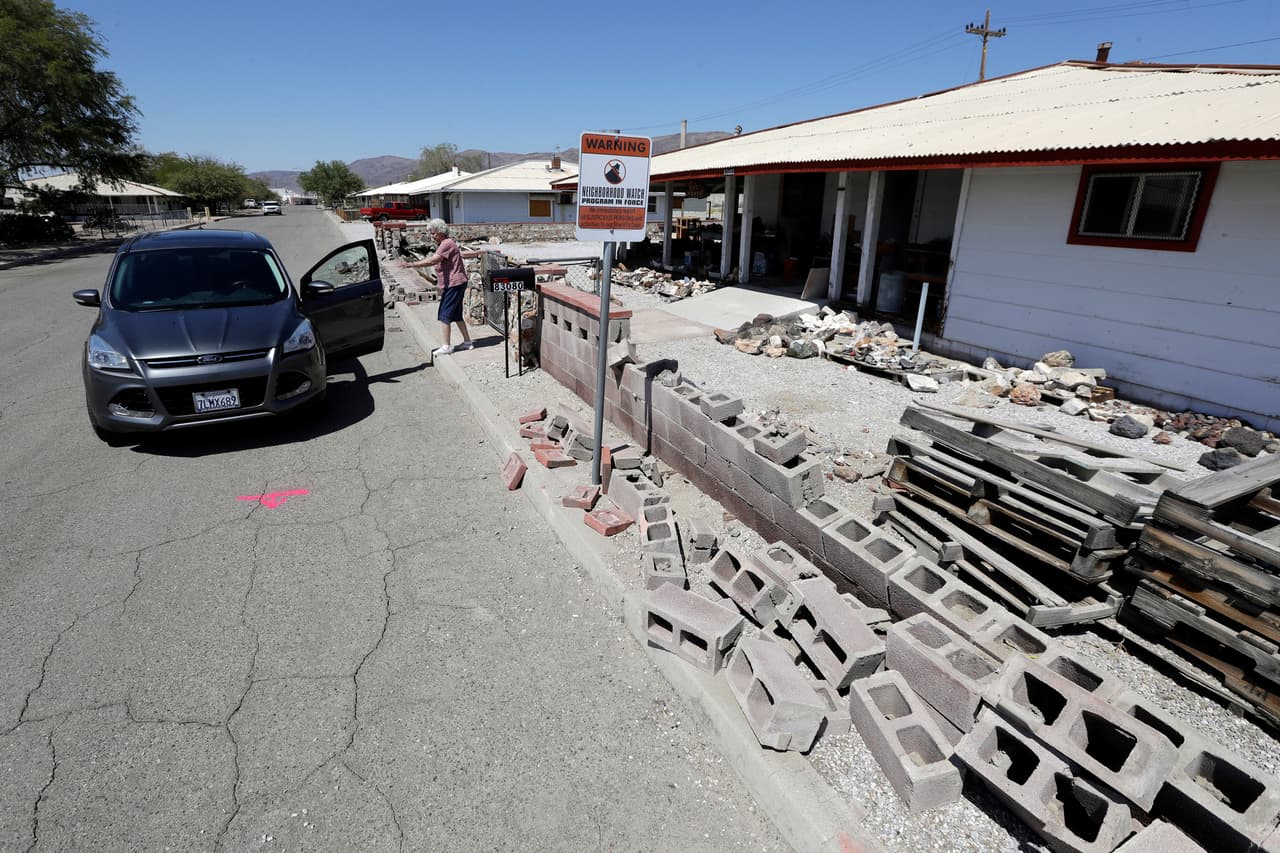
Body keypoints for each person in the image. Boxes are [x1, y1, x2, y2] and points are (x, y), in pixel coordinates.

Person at [410, 219, 474, 356]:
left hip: (454, 283)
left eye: (433, 233)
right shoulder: (446, 243)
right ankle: (468, 342)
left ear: (440, 232)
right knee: (456, 315)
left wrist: (412, 264)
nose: (431, 236)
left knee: (444, 314)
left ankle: (446, 346)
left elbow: (433, 260)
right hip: (456, 283)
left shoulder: (446, 244)